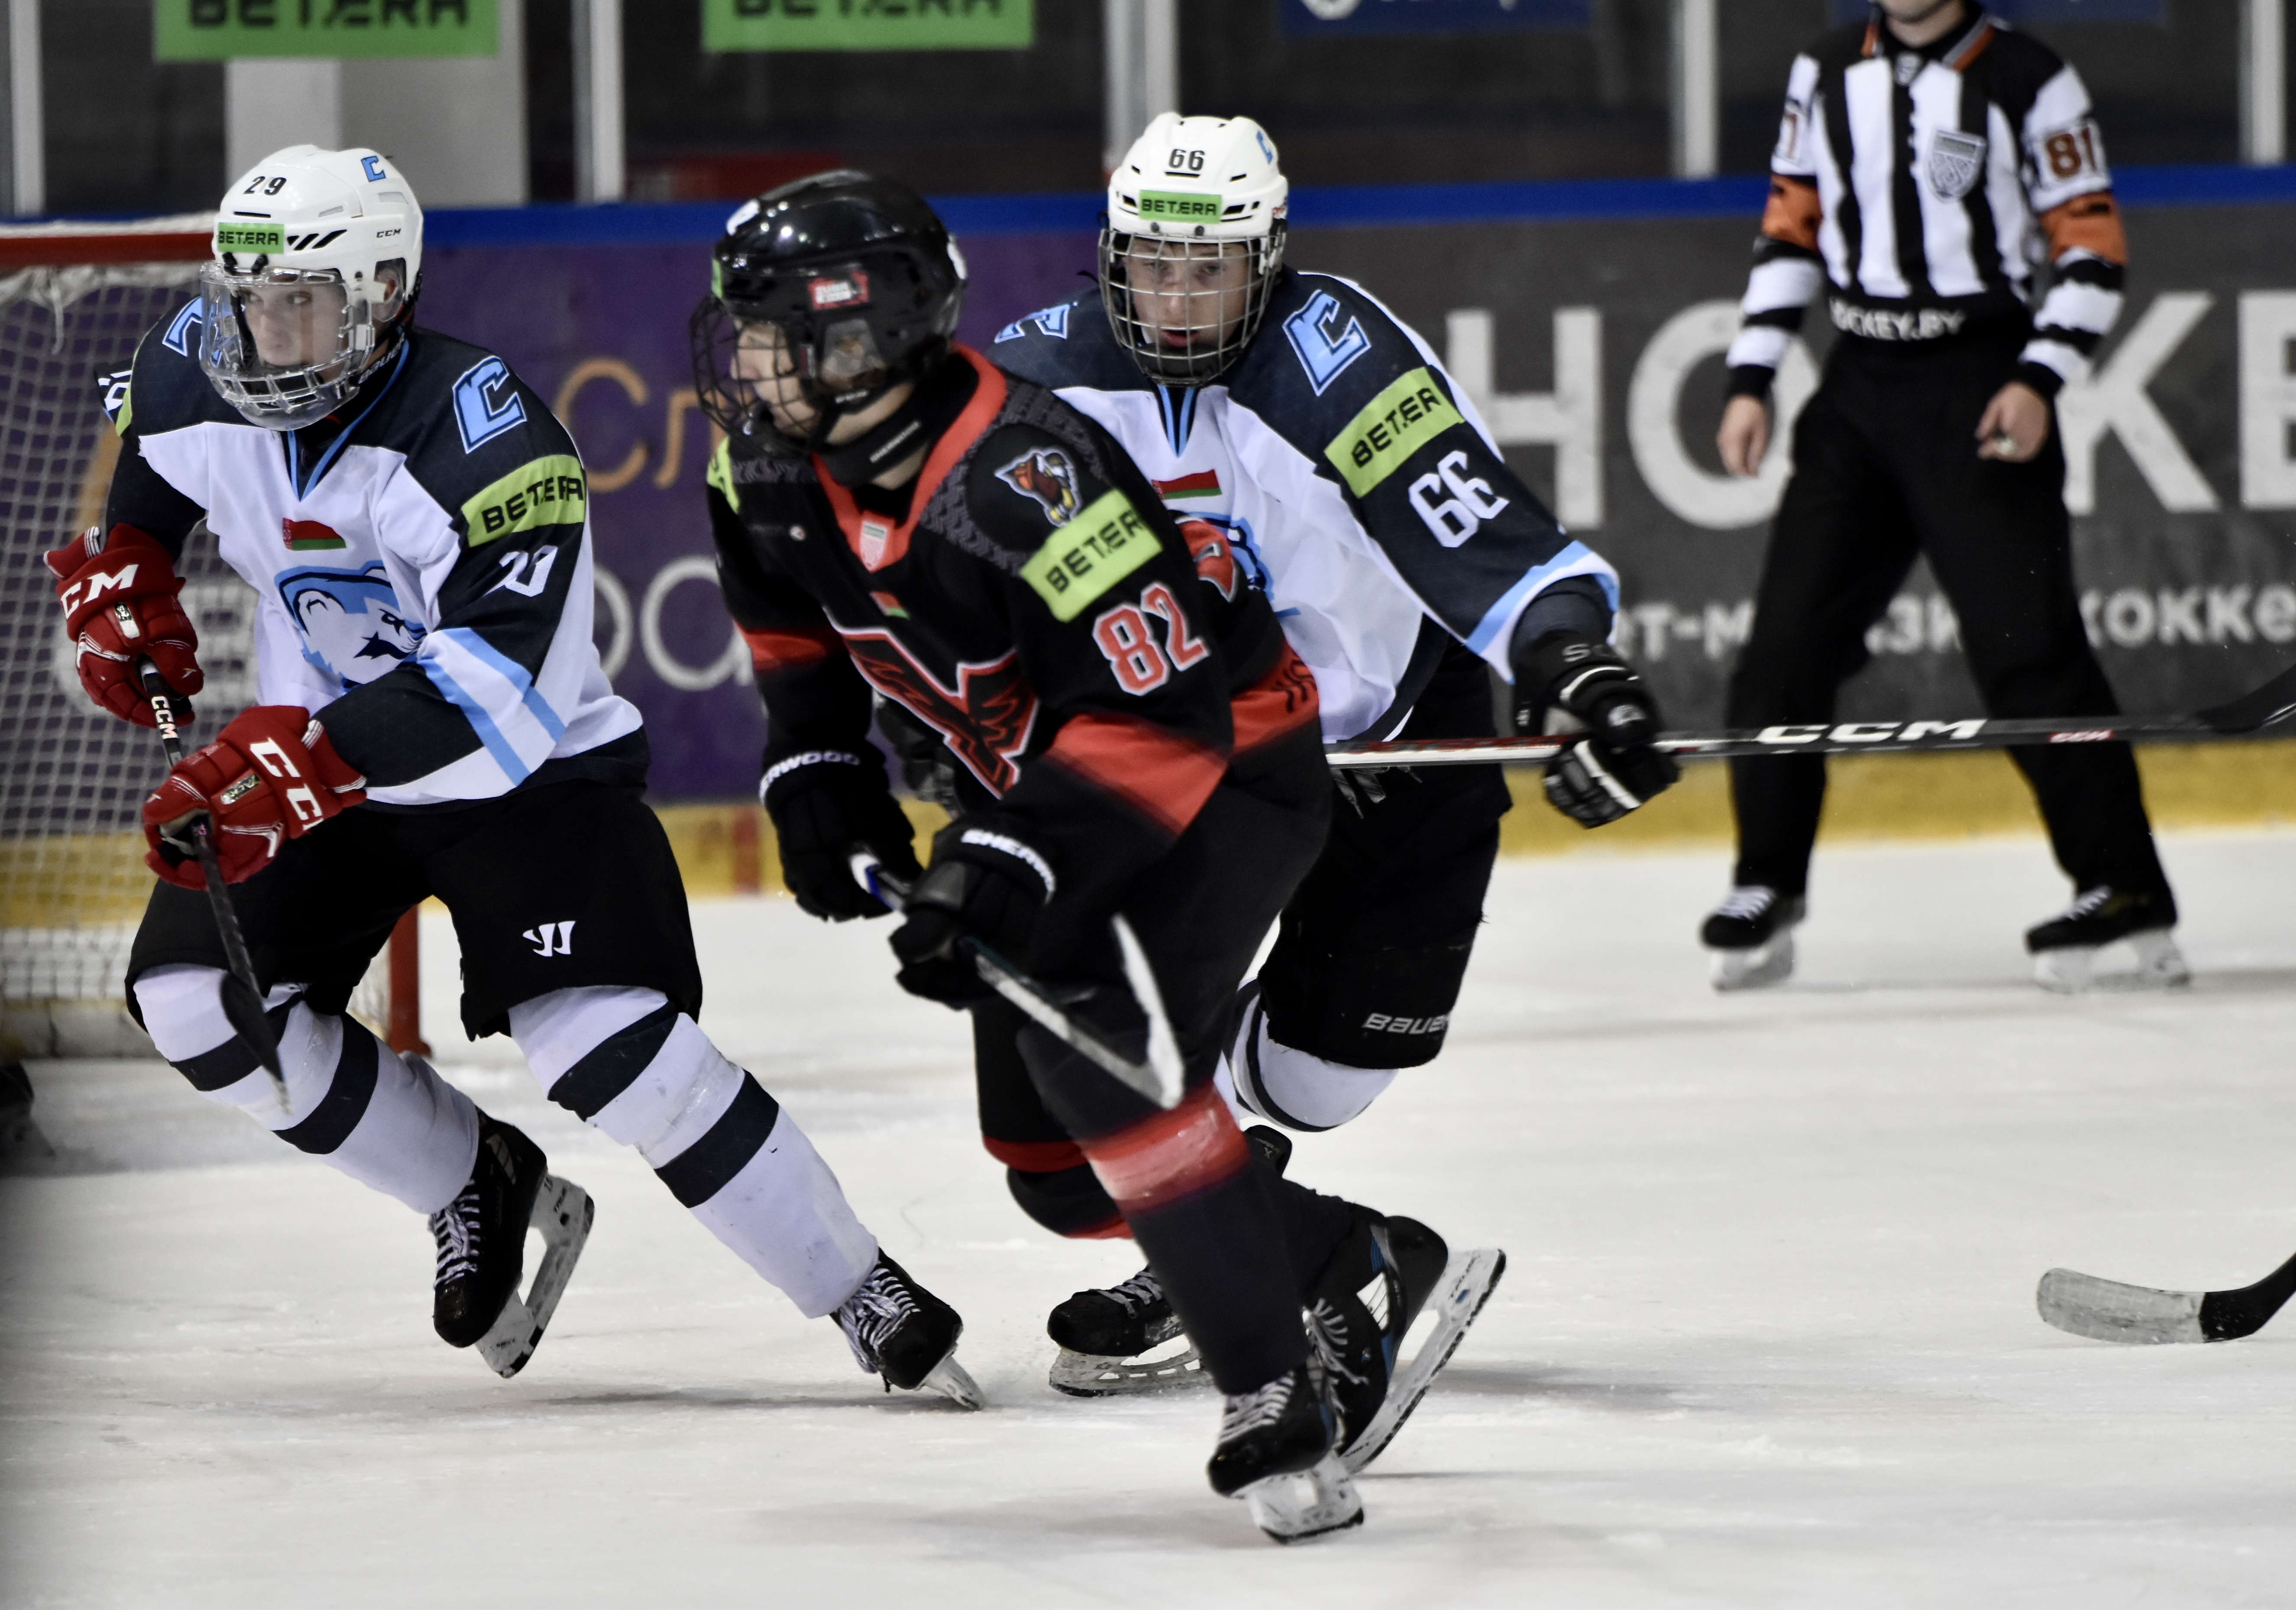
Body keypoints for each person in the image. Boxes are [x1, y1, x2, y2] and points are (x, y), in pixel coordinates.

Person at [55, 144, 976, 1401]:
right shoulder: (194, 361)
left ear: (383, 294)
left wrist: (299, 764)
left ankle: (859, 1283)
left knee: (609, 1046)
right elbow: (154, 466)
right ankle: (473, 1180)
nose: (263, 334)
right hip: (317, 765)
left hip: (521, 775)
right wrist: (134, 573)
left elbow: (497, 688)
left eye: (300, 303)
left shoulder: (485, 439)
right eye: (249, 300)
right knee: (195, 1003)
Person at [694, 169, 1483, 1541]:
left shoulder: (1024, 477)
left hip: (1227, 771)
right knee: (1051, 1166)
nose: (751, 367)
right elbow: (792, 623)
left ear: (872, 343)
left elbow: (1161, 715)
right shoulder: (758, 464)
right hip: (1043, 789)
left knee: (1102, 1055)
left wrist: (1006, 856)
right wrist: (814, 760)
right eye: (746, 334)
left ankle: (1273, 1388)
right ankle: (1348, 1251)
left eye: (782, 338)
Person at [989, 112, 1660, 1375]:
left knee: (1325, 1079)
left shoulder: (1338, 360)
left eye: (1210, 268)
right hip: (1200, 763)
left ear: (1270, 256)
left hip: (1392, 741)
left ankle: (1232, 1162)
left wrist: (1577, 666)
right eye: (1153, 263)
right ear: (1112, 254)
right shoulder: (1040, 378)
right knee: (1118, 1048)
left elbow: (1483, 538)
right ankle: (1223, 1243)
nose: (1177, 299)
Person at [1708, 0, 2181, 993]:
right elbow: (1788, 232)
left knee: (2029, 655)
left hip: (1981, 382)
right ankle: (1766, 883)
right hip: (1858, 388)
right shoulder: (1823, 71)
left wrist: (2039, 377)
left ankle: (2124, 887)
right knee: (1783, 653)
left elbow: (2092, 248)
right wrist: (1752, 377)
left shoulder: (2029, 76)